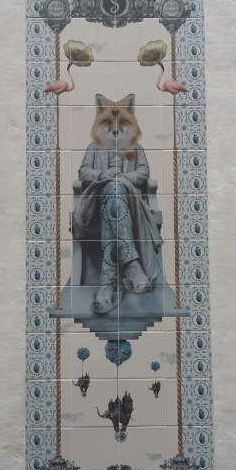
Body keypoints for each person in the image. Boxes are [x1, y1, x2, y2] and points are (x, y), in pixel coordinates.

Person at [72, 93, 163, 314]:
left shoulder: (136, 149)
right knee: (112, 189)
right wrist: (103, 175)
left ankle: (107, 284)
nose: (115, 128)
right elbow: (83, 172)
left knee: (116, 189)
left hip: (128, 204)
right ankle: (132, 266)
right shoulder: (93, 149)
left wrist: (124, 178)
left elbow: (143, 172)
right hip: (97, 205)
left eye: (122, 122)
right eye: (107, 122)